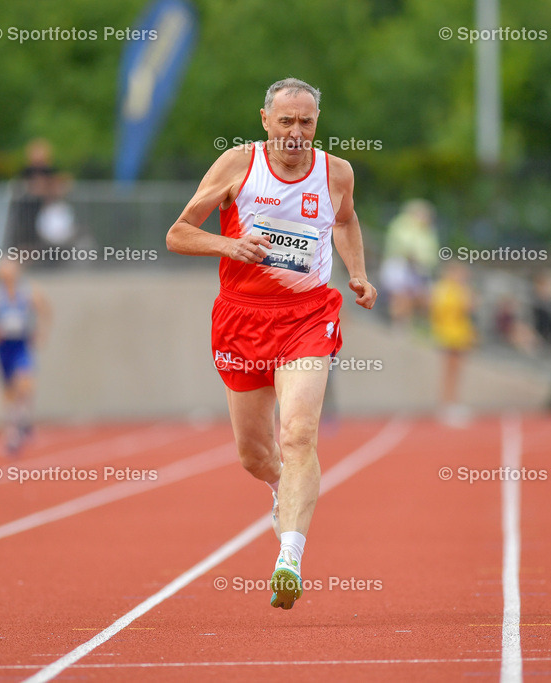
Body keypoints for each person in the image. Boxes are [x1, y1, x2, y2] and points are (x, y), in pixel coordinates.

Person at [166, 77, 377, 610]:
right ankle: (282, 487)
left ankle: (290, 556)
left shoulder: (337, 172)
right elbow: (178, 233)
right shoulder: (238, 165)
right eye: (286, 121)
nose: (296, 133)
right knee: (255, 455)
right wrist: (229, 245)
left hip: (308, 317)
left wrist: (357, 273)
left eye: (306, 122)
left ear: (317, 124)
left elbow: (346, 221)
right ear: (265, 121)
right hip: (242, 319)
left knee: (299, 434)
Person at [0, 261, 50, 454]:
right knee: (8, 390)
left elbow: (44, 309)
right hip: (3, 347)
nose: (7, 274)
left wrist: (41, 331)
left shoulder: (27, 291)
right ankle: (14, 430)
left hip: (21, 345)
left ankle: (20, 423)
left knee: (25, 383)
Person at [379, 199, 439, 328]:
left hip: (419, 268)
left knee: (418, 296)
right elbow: (403, 246)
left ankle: (407, 323)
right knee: (400, 294)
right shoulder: (402, 225)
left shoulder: (427, 231)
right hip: (400, 264)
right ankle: (398, 322)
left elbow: (430, 253)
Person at [429, 263, 476, 427]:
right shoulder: (444, 289)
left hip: (460, 333)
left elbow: (469, 309)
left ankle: (453, 402)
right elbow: (442, 309)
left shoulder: (459, 289)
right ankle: (446, 404)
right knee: (449, 370)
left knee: (456, 371)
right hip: (448, 333)